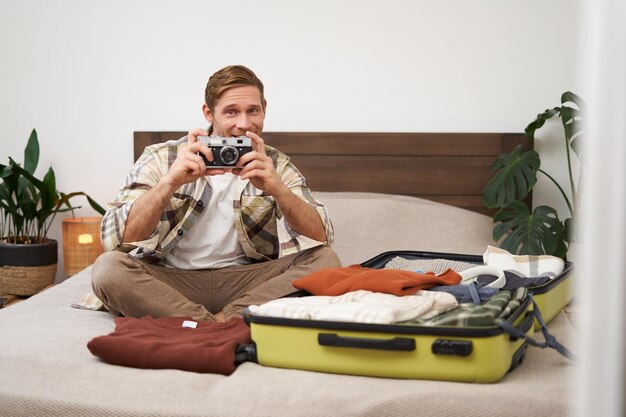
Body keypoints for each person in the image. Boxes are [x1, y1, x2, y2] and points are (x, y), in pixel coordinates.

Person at [91, 65, 340, 322]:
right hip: (171, 282)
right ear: (208, 113)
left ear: (264, 108)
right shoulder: (163, 157)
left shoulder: (274, 164)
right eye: (231, 112)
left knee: (326, 260)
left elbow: (323, 237)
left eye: (252, 110)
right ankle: (226, 324)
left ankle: (204, 324)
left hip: (246, 283)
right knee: (108, 269)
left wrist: (277, 188)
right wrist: (169, 182)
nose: (244, 124)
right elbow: (114, 240)